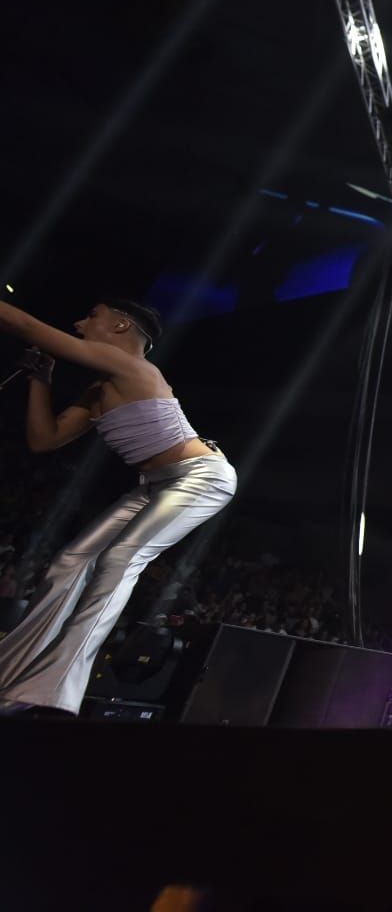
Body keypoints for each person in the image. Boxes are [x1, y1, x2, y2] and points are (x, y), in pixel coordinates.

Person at [0, 298, 236, 716]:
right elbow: (45, 440)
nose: (78, 322)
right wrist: (42, 379)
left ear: (122, 326)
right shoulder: (98, 390)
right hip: (156, 485)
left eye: (91, 316)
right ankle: (10, 674)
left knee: (121, 558)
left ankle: (54, 692)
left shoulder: (131, 367)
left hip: (200, 476)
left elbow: (25, 324)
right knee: (70, 561)